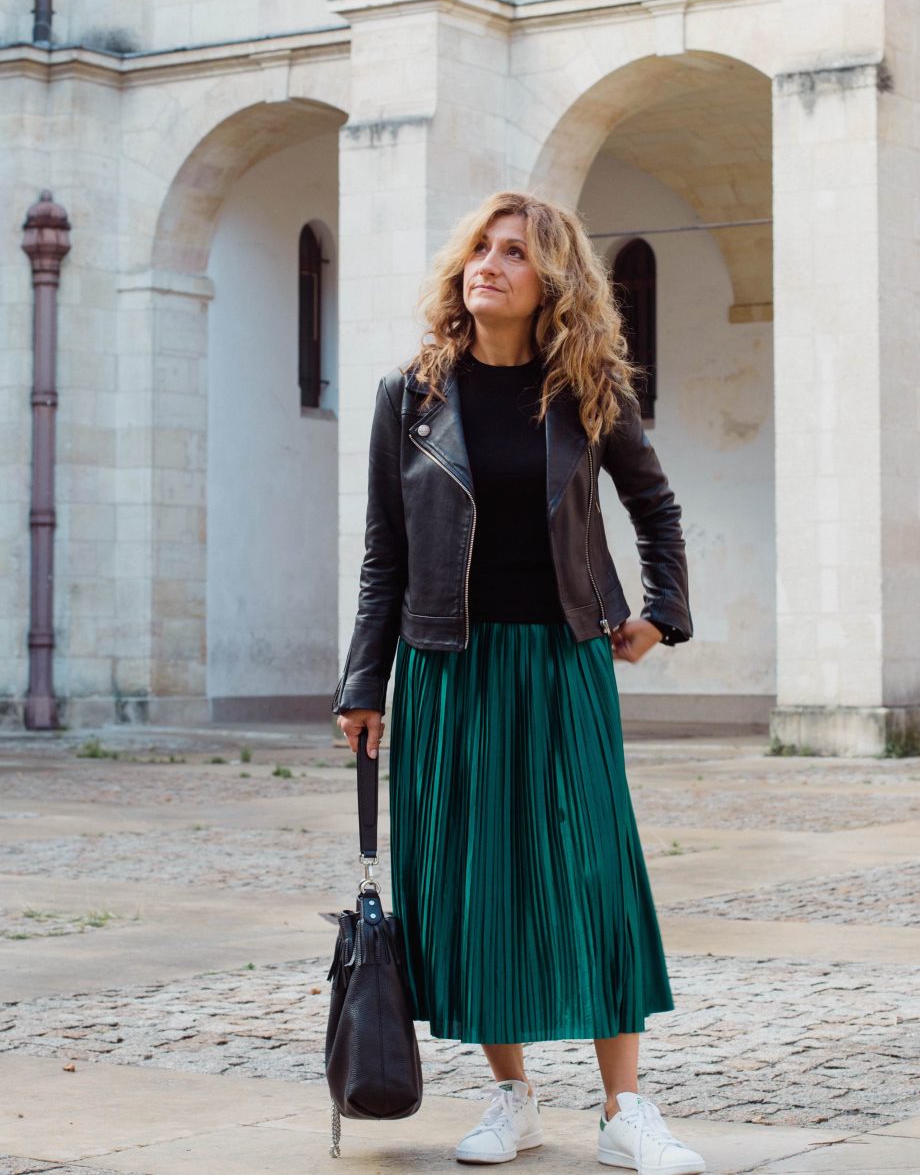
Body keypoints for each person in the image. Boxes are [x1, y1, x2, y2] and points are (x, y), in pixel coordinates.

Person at [332, 189, 703, 1175]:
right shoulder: (408, 397)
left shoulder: (585, 388)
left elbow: (655, 510)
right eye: (478, 249)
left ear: (551, 284)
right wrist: (361, 685)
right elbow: (385, 554)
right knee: (473, 880)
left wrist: (658, 614)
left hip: (561, 660)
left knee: (593, 876)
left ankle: (626, 1110)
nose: (486, 265)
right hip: (448, 669)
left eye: (514, 254)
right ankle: (513, 1096)